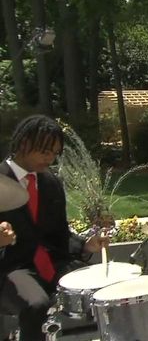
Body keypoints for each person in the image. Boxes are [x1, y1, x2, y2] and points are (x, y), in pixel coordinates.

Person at [0, 115, 107, 340]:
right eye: (45, 152)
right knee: (37, 305)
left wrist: (87, 245)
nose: (50, 159)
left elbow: (60, 234)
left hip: (51, 263)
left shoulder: (50, 183)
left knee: (101, 286)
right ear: (24, 144)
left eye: (55, 153)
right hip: (12, 267)